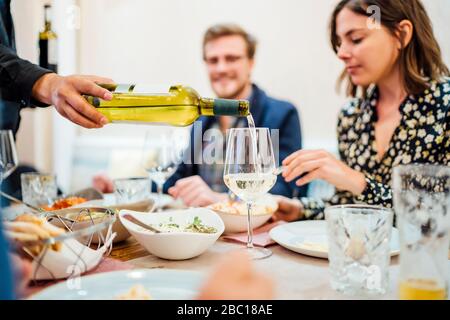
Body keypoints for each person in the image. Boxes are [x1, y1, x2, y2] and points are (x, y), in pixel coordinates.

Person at [274, 0, 450, 222]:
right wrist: (300, 209)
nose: (341, 53)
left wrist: (358, 182)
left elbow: (440, 219)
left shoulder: (445, 106)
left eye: (356, 39)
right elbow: (350, 206)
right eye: (339, 43)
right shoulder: (351, 117)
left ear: (401, 34)